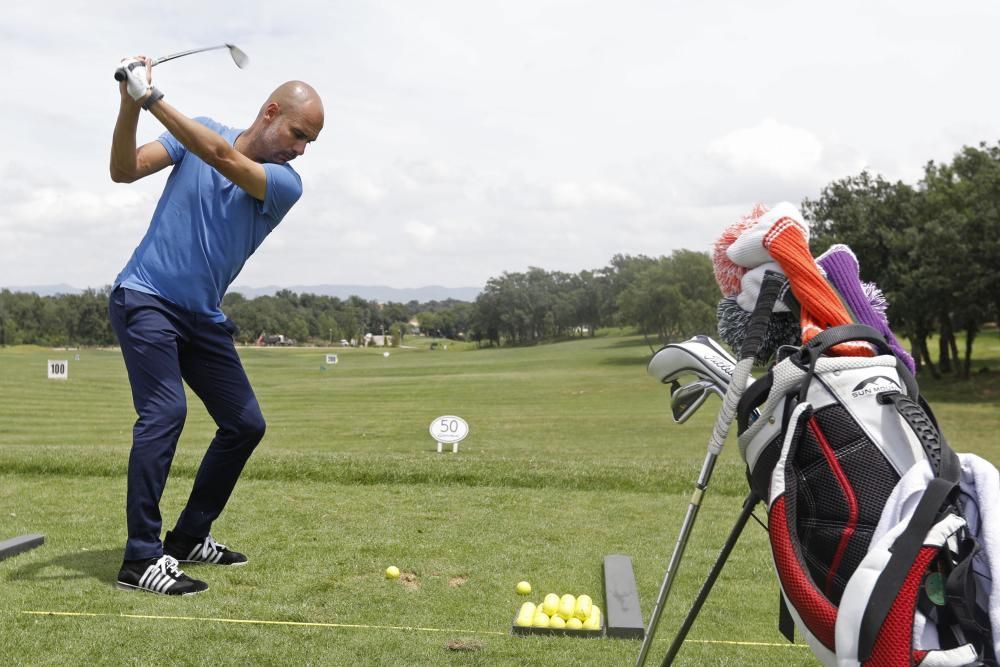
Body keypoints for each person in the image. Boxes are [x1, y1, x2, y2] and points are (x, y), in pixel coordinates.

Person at [108, 55, 324, 595]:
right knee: (165, 412)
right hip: (146, 298)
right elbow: (123, 169)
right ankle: (141, 559)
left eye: (309, 144)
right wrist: (128, 106)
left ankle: (187, 540)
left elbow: (220, 154)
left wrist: (151, 99)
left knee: (245, 424)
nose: (300, 150)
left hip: (202, 318)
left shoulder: (282, 183)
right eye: (298, 134)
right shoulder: (197, 132)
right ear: (271, 112)